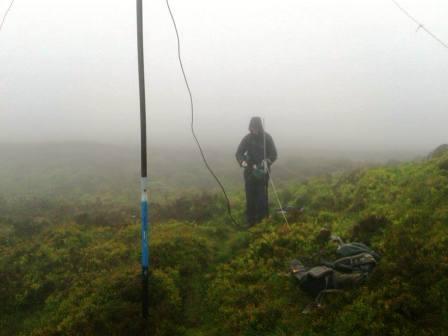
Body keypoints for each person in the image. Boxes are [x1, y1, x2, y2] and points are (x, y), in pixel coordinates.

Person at [235, 117, 277, 227]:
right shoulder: (247, 139)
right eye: (252, 127)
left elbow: (274, 154)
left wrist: (267, 161)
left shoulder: (267, 138)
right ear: (250, 127)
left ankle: (263, 222)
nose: (254, 130)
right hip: (249, 173)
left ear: (260, 127)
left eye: (256, 127)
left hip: (263, 173)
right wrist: (242, 162)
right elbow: (239, 153)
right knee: (250, 197)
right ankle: (250, 221)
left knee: (262, 198)